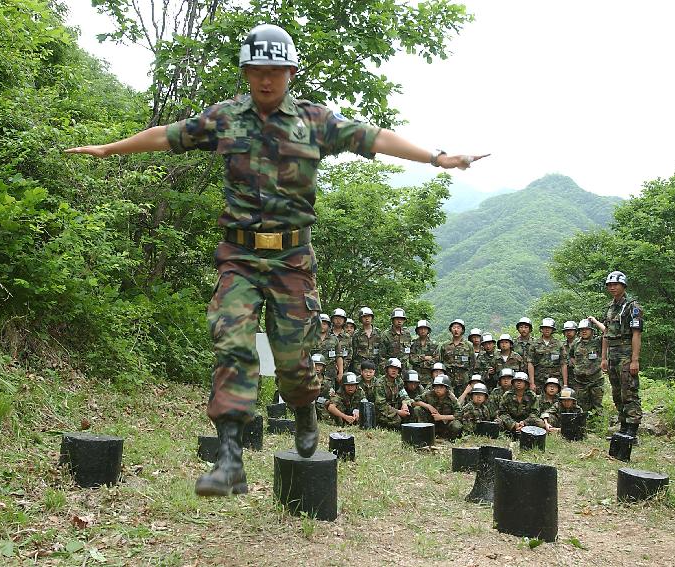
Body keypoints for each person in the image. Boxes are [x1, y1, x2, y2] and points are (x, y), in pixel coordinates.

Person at [65, 23, 487, 497]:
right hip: (239, 256)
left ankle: (305, 411)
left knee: (292, 362)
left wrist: (438, 157)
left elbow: (377, 138)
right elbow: (164, 135)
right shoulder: (225, 119)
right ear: (246, 72)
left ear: (289, 71)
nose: (266, 80)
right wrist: (109, 148)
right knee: (232, 343)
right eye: (256, 71)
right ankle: (229, 458)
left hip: (292, 261)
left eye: (275, 71)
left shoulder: (314, 122)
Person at [600, 270, 643, 438]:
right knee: (617, 392)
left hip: (626, 352)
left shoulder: (633, 306)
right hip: (612, 353)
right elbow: (606, 333)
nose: (612, 288)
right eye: (610, 285)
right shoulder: (610, 307)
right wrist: (603, 357)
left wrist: (635, 360)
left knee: (629, 391)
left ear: (623, 286)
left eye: (615, 285)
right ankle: (623, 427)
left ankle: (632, 430)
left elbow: (636, 334)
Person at [569, 317, 606, 419]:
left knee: (597, 406)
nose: (584, 331)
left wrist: (594, 321)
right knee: (581, 407)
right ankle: (584, 426)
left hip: (596, 380)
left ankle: (599, 426)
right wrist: (577, 366)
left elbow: (607, 331)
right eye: (581, 329)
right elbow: (571, 356)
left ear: (592, 331)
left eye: (587, 329)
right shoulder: (575, 343)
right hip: (580, 381)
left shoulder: (598, 342)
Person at [412, 375, 463, 439]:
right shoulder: (429, 394)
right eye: (436, 387)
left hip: (446, 424)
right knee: (418, 409)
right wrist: (428, 406)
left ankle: (450, 438)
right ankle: (424, 433)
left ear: (446, 388)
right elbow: (414, 402)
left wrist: (441, 417)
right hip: (431, 422)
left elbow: (459, 414)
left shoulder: (451, 398)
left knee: (456, 426)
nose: (438, 389)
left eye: (441, 387)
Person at [527, 317, 566, 391]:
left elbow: (563, 364)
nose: (547, 329)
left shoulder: (559, 344)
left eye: (549, 328)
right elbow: (530, 363)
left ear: (553, 330)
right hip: (539, 379)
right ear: (541, 329)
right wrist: (532, 383)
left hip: (555, 380)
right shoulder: (534, 344)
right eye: (545, 328)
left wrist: (565, 384)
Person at [374, 358, 412, 429]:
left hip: (396, 407)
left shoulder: (399, 381)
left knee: (411, 410)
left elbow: (404, 395)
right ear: (387, 369)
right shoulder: (380, 383)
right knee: (397, 420)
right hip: (382, 411)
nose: (394, 370)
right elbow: (381, 405)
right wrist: (398, 412)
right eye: (391, 368)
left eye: (396, 369)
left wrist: (404, 404)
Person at [440, 318, 474, 396]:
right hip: (448, 378)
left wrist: (469, 378)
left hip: (463, 379)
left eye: (458, 328)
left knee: (463, 400)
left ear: (462, 330)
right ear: (451, 330)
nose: (456, 330)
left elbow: (472, 363)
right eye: (454, 327)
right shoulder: (445, 345)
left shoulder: (468, 345)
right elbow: (441, 361)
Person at [409, 319, 439, 386]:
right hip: (415, 377)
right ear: (417, 331)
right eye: (421, 329)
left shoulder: (434, 344)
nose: (423, 331)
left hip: (429, 377)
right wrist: (425, 357)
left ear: (428, 330)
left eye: (425, 329)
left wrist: (422, 363)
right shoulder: (413, 344)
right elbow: (411, 359)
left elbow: (436, 359)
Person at [352, 306, 381, 373]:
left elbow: (381, 350)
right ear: (361, 319)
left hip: (374, 365)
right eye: (364, 317)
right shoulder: (357, 334)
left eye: (369, 316)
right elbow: (354, 351)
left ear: (372, 318)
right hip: (360, 365)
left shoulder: (378, 332)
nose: (367, 318)